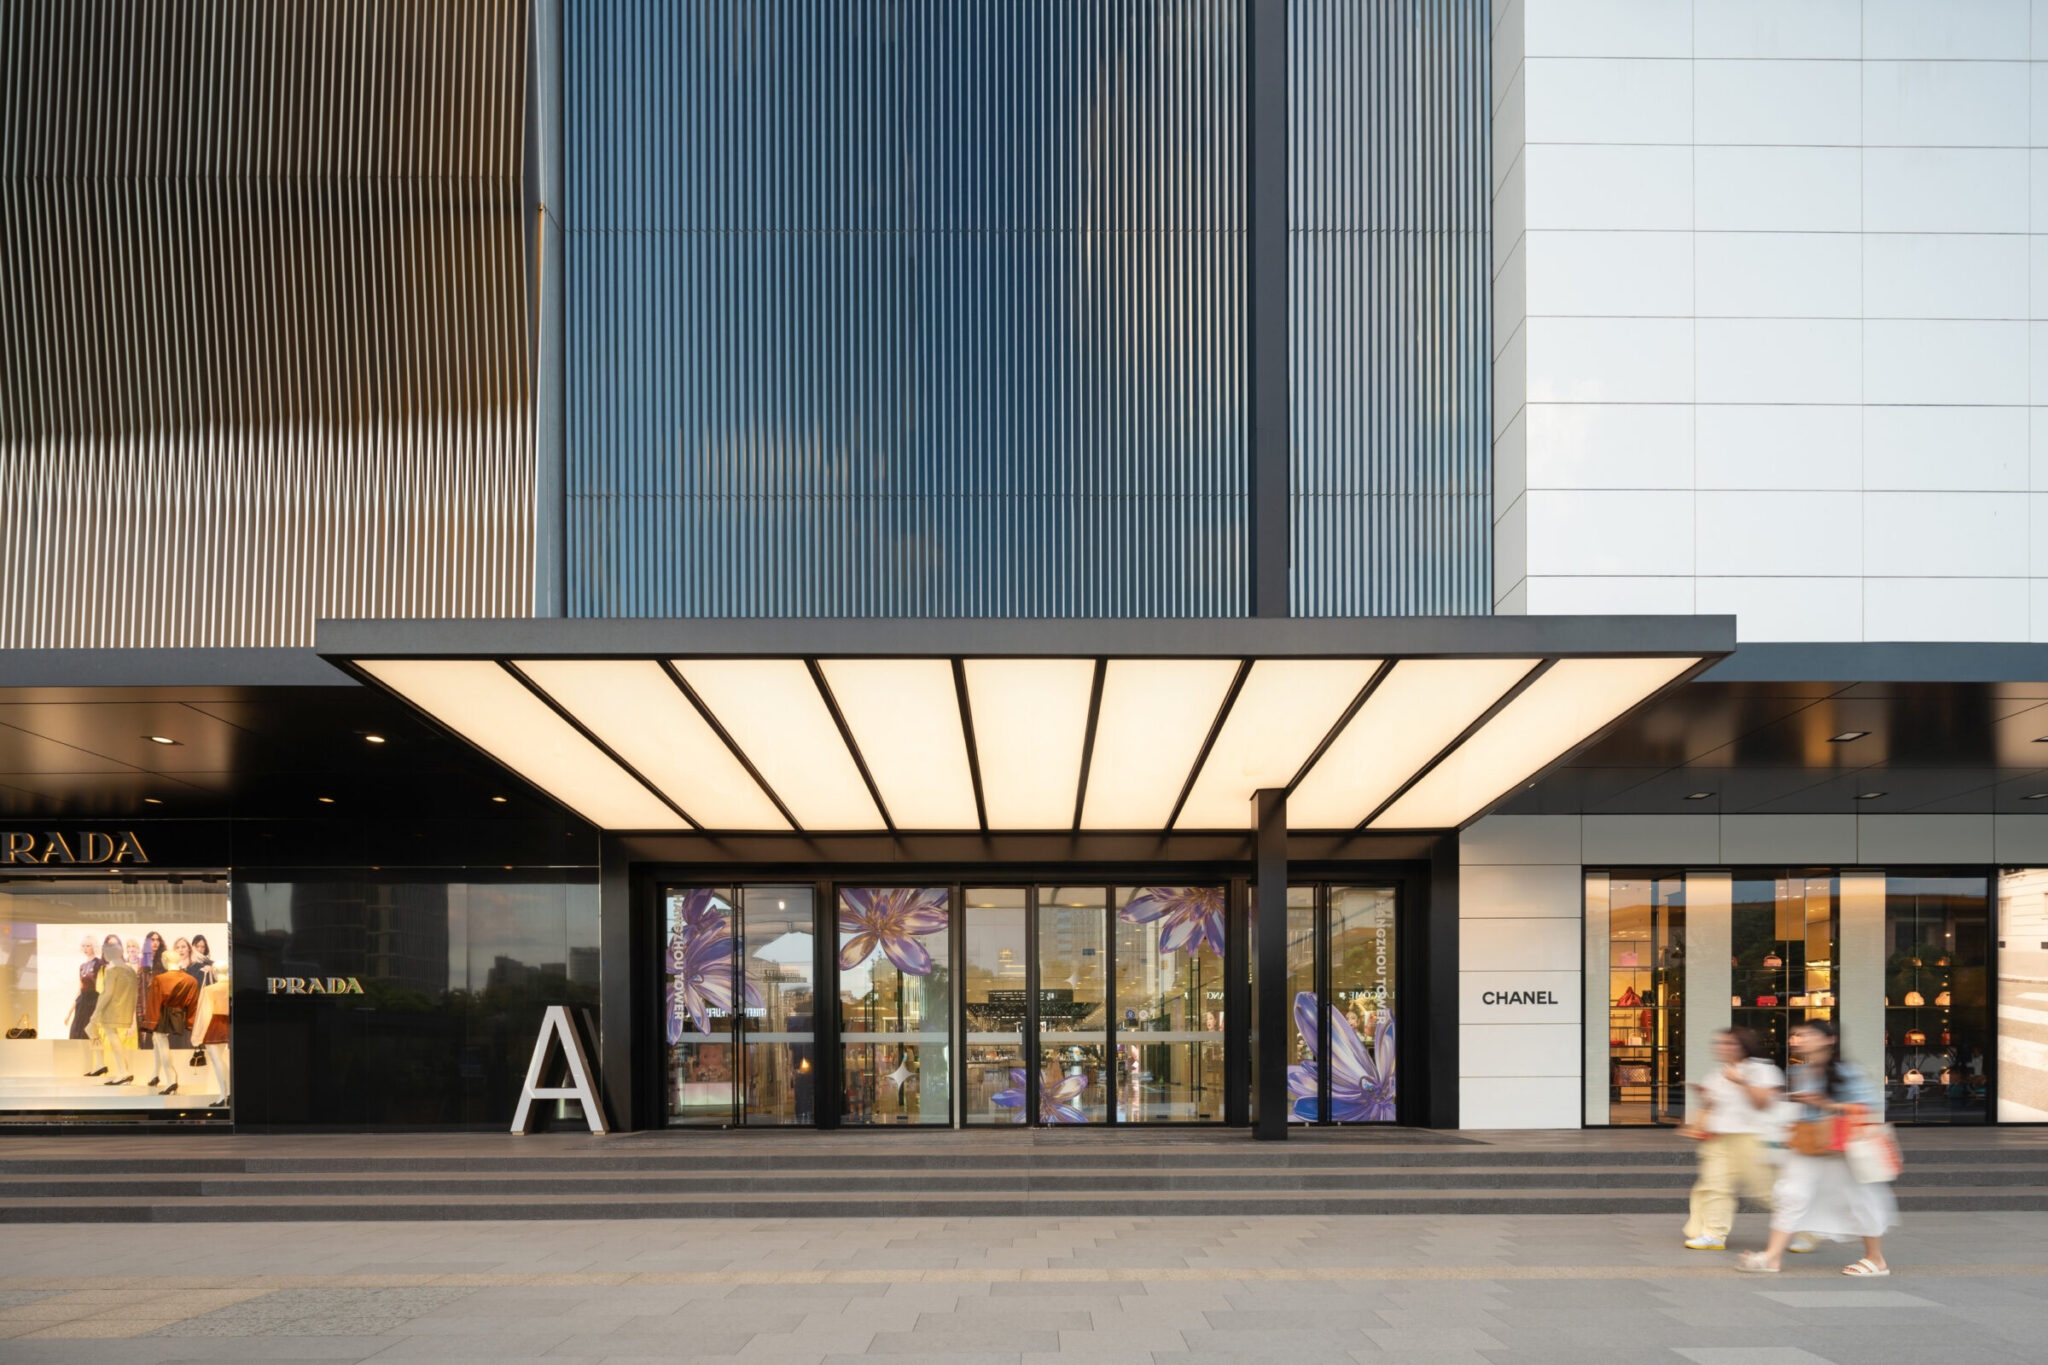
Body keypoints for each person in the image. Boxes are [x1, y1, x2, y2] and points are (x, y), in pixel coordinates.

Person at [1740, 1019, 1896, 1276]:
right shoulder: (1799, 1071)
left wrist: (1826, 1104)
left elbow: (1870, 1106)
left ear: (1829, 1040)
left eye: (1806, 1035)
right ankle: (1772, 1257)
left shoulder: (1848, 1071)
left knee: (1861, 1198)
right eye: (1796, 1035)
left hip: (1843, 1146)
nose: (1797, 1040)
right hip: (1808, 1143)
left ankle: (1875, 1259)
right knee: (1790, 1194)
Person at [1682, 1027, 1781, 1251]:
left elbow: (1763, 1103)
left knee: (1765, 1192)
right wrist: (1703, 1094)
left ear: (1743, 1045)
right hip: (1719, 1139)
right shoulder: (1717, 1073)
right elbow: (1713, 1106)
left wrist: (1741, 1082)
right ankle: (1714, 1234)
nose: (1721, 1047)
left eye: (1728, 1043)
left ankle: (1805, 1227)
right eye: (1719, 1043)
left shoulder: (1763, 1070)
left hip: (1752, 1139)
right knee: (1715, 1186)